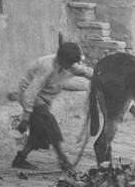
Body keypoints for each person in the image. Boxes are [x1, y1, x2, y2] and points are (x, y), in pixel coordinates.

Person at [11, 36, 93, 171]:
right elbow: (30, 93)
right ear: (63, 60)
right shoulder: (47, 67)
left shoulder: (68, 65)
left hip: (44, 99)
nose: (72, 65)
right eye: (70, 63)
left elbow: (84, 71)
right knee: (51, 126)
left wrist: (100, 77)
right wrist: (25, 118)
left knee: (38, 133)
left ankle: (20, 159)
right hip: (31, 97)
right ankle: (63, 160)